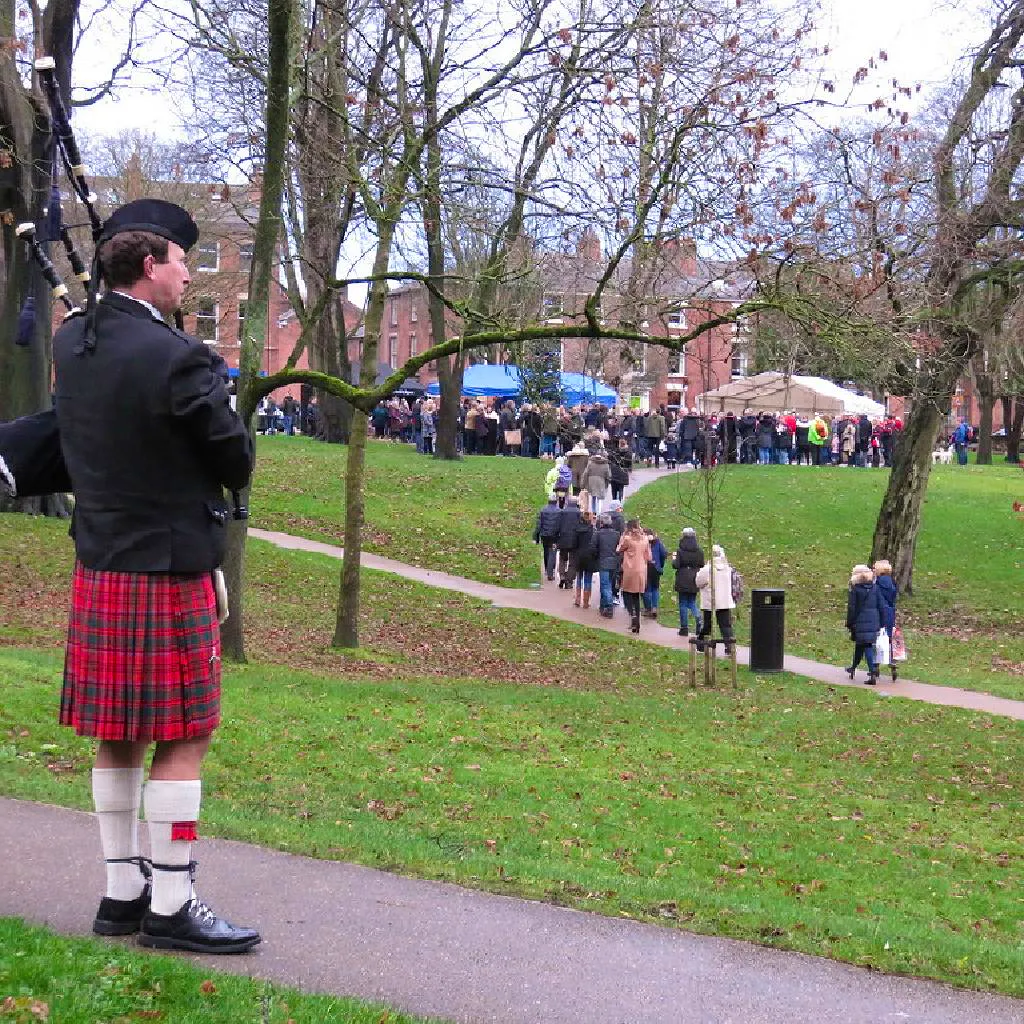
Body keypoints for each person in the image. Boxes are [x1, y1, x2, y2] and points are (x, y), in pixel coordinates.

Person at [51, 199, 259, 953]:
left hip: (103, 560)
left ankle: (120, 892)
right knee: (185, 732)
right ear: (152, 265)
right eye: (180, 264)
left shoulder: (72, 341)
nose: (184, 279)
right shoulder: (183, 357)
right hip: (169, 566)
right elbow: (231, 459)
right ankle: (171, 903)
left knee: (116, 734)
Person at [845, 563, 885, 684]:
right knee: (862, 645)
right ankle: (853, 667)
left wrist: (850, 622)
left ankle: (872, 671)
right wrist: (881, 622)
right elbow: (881, 606)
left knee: (865, 645)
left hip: (860, 622)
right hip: (874, 621)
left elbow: (852, 608)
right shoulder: (875, 588)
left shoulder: (855, 590)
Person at [694, 544, 736, 651]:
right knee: (725, 626)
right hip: (724, 602)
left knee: (707, 625)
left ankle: (702, 645)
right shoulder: (728, 568)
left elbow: (698, 582)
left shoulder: (707, 569)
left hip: (710, 601)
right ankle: (730, 647)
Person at [616, 519, 652, 633]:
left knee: (626, 593)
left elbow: (619, 549)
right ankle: (637, 620)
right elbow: (649, 557)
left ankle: (633, 616)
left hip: (630, 569)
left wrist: (623, 536)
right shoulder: (645, 539)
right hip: (641, 570)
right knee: (636, 595)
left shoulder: (628, 539)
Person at [671, 527, 704, 637]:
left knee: (683, 603)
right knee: (692, 602)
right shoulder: (699, 550)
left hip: (683, 578)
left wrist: (674, 558)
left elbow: (675, 565)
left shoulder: (680, 550)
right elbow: (702, 564)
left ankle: (684, 628)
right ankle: (698, 617)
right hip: (694, 578)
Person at [873, 559, 899, 681]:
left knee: (877, 638)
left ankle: (875, 664)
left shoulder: (876, 583)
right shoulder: (893, 583)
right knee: (889, 638)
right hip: (890, 613)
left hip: (879, 613)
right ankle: (893, 663)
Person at [532, 494, 563, 582]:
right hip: (554, 536)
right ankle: (550, 572)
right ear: (556, 501)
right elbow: (561, 525)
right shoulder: (559, 511)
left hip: (545, 535)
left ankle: (547, 569)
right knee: (552, 553)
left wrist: (535, 537)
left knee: (546, 551)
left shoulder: (543, 510)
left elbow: (538, 525)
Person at [573, 510, 599, 608]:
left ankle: (577, 599)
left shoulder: (577, 529)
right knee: (588, 579)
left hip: (579, 556)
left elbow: (574, 543)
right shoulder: (593, 530)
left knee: (579, 578)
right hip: (589, 557)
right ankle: (586, 602)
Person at [582, 447, 612, 515]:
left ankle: (593, 511)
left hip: (591, 481)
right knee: (600, 498)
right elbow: (608, 475)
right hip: (601, 482)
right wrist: (607, 482)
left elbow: (586, 473)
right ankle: (599, 512)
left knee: (593, 497)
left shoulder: (590, 463)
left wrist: (583, 483)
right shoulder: (605, 464)